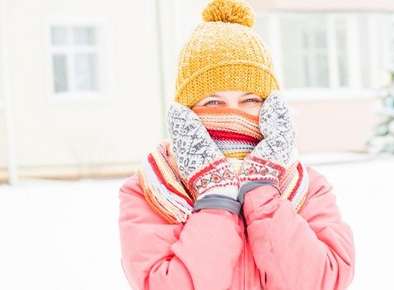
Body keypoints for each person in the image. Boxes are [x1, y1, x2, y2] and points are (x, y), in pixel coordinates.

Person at [117, 0, 355, 289]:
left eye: (250, 100)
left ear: (271, 108)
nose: (233, 114)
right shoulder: (150, 190)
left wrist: (262, 191)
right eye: (213, 102)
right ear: (186, 113)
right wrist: (215, 197)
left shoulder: (307, 187)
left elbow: (322, 282)